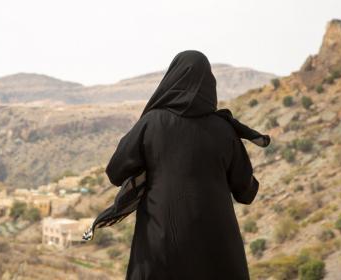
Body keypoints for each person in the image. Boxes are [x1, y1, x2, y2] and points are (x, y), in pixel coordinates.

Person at [105, 50, 260, 279]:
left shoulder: (153, 123)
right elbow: (246, 192)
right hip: (217, 247)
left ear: (172, 79)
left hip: (162, 241)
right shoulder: (224, 129)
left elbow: (115, 172)